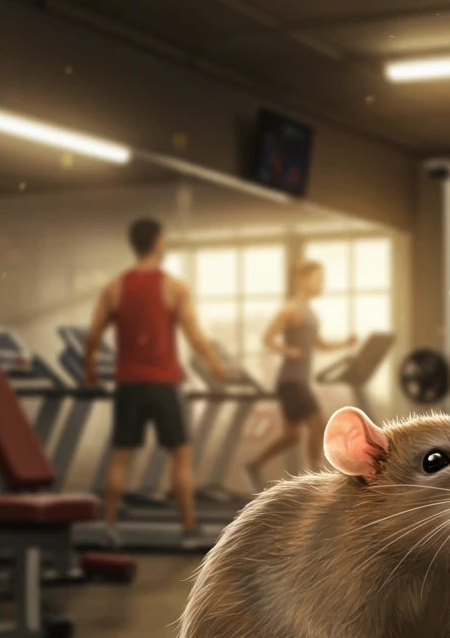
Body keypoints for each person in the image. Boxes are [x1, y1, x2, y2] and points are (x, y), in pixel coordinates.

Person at [83, 216, 227, 546]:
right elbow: (194, 335)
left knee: (120, 457)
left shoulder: (114, 288)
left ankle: (109, 528)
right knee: (180, 457)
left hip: (129, 386)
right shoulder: (174, 288)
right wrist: (215, 366)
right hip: (163, 385)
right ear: (159, 243)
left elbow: (92, 336)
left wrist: (89, 368)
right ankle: (189, 530)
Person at [247, 261, 355, 484]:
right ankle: (315, 474)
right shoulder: (291, 309)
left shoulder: (309, 312)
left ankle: (254, 465)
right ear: (303, 280)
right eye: (317, 279)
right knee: (318, 424)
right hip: (291, 380)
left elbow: (320, 344)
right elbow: (267, 338)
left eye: (322, 280)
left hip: (298, 380)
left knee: (292, 436)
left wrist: (345, 343)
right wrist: (287, 350)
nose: (321, 285)